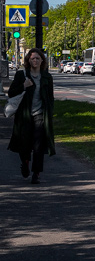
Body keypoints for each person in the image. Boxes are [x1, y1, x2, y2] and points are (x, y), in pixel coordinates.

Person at [8, 48, 55, 184]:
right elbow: (11, 93)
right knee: (24, 144)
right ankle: (25, 162)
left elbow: (50, 97)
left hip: (40, 114)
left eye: (38, 58)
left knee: (38, 145)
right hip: (24, 115)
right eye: (32, 58)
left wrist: (50, 113)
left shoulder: (47, 77)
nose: (35, 60)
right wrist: (23, 86)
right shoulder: (21, 75)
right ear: (28, 60)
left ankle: (36, 173)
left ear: (42, 60)